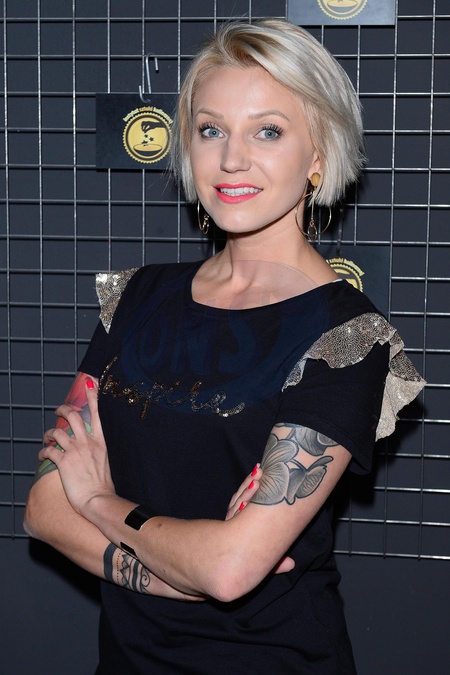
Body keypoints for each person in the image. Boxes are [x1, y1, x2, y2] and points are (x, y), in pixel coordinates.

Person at [24, 18, 425, 674]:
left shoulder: (348, 338)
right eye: (211, 130)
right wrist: (180, 574)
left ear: (319, 154)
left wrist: (98, 501)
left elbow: (230, 568)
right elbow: (44, 508)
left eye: (268, 131)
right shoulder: (137, 298)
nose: (232, 159)